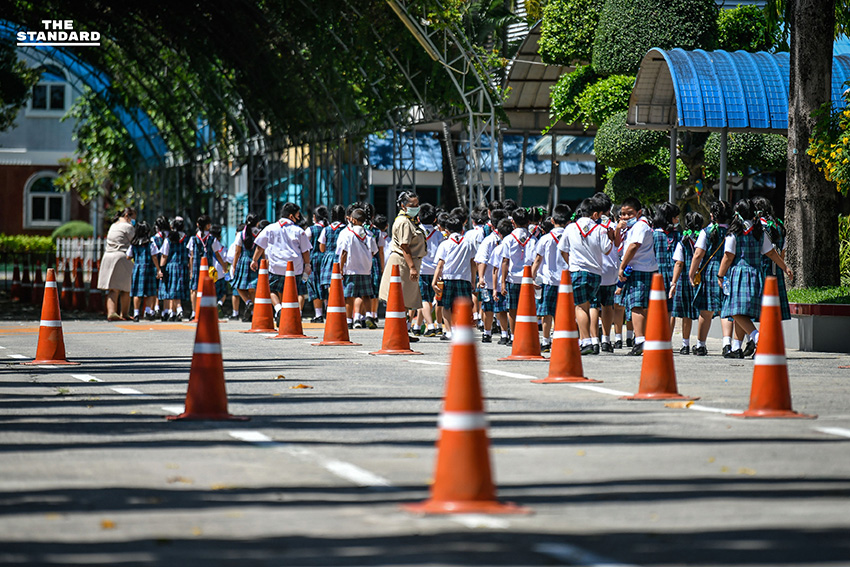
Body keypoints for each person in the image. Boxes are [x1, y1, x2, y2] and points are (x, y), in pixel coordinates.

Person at [718, 198, 793, 358]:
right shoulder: (759, 232)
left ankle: (757, 337)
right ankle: (737, 348)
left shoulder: (734, 233)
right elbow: (771, 253)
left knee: (734, 310)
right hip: (756, 274)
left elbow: (728, 256)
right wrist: (785, 267)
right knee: (742, 312)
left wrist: (720, 275)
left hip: (739, 274)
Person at [559, 197, 614, 355]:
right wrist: (610, 237)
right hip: (596, 273)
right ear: (595, 214)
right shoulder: (600, 229)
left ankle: (586, 341)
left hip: (577, 271)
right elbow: (607, 250)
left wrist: (570, 263)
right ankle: (593, 339)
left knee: (581, 306)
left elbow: (563, 249)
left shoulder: (571, 228)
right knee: (591, 305)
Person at [251, 202, 312, 326]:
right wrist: (307, 265)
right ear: (291, 216)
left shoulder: (270, 228)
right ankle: (291, 315)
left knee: (271, 290)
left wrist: (254, 260)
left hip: (276, 267)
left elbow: (260, 246)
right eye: (297, 215)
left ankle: (279, 309)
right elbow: (305, 250)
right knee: (294, 292)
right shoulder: (298, 231)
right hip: (295, 268)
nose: (299, 218)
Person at [379, 191, 427, 340]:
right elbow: (405, 247)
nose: (415, 207)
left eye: (417, 205)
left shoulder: (410, 220)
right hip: (403, 263)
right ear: (402, 206)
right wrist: (412, 267)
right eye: (412, 205)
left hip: (408, 262)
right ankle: (398, 333)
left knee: (405, 301)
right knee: (401, 300)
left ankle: (403, 332)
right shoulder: (404, 222)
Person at [688, 200, 733, 356]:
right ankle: (727, 345)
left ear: (712, 215)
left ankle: (700, 345)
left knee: (705, 311)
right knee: (726, 310)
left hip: (711, 271)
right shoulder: (733, 232)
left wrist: (692, 273)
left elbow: (698, 254)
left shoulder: (705, 232)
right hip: (729, 271)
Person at [617, 197, 658, 356]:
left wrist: (622, 266)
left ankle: (640, 339)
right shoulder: (635, 227)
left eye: (629, 214)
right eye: (623, 214)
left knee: (636, 305)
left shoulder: (641, 225)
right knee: (641, 306)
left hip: (639, 270)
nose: (626, 217)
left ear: (639, 212)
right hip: (642, 269)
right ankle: (643, 338)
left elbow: (634, 246)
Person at [432, 215, 478, 340]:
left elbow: (440, 265)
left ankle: (448, 331)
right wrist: (473, 280)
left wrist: (434, 281)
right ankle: (460, 330)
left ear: (447, 230)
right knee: (462, 306)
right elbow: (473, 263)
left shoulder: (445, 244)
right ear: (462, 229)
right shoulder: (469, 244)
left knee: (446, 306)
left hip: (447, 278)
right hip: (464, 278)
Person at [531, 203, 570, 353]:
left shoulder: (546, 238)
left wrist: (532, 277)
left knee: (546, 313)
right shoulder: (570, 237)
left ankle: (546, 341)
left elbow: (538, 260)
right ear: (568, 222)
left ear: (552, 220)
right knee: (562, 313)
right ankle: (560, 339)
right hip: (566, 280)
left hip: (548, 280)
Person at [337, 208, 379, 329]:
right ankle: (368, 316)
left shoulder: (348, 234)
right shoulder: (369, 234)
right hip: (366, 268)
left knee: (350, 296)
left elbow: (343, 253)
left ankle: (349, 320)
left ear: (353, 220)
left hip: (351, 268)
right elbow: (373, 251)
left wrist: (341, 268)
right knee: (366, 295)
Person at [669, 212, 704, 354]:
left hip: (684, 280)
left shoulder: (683, 241)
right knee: (692, 314)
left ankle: (681, 345)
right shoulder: (703, 238)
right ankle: (697, 343)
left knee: (677, 313)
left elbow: (679, 263)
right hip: (700, 278)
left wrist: (673, 283)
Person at [753, 196, 792, 321]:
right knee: (773, 305)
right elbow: (782, 253)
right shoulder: (779, 225)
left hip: (761, 268)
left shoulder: (757, 226)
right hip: (777, 270)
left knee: (758, 307)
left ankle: (755, 336)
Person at [475, 209, 508, 343]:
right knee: (498, 309)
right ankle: (499, 333)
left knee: (491, 308)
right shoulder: (495, 240)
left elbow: (481, 260)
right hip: (496, 280)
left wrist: (481, 277)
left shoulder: (489, 240)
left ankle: (492, 333)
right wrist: (482, 278)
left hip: (491, 280)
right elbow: (482, 259)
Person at [98, 207, 136, 321]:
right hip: (122, 257)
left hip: (108, 256)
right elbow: (134, 241)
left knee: (113, 288)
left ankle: (111, 313)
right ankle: (124, 313)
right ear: (127, 216)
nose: (134, 220)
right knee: (126, 288)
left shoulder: (113, 225)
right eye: (133, 217)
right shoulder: (128, 227)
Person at [188, 215, 228, 319]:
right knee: (209, 289)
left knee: (194, 289)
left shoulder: (193, 239)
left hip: (197, 268)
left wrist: (191, 270)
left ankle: (194, 312)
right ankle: (207, 311)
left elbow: (191, 257)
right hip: (208, 268)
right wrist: (224, 266)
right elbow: (218, 255)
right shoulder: (212, 239)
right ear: (208, 226)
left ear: (198, 225)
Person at [416, 203, 445, 337]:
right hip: (435, 271)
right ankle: (417, 326)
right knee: (428, 299)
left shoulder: (416, 232)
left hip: (421, 269)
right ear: (435, 219)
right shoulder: (439, 235)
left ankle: (431, 325)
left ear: (418, 218)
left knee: (424, 299)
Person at [158, 217, 189, 321]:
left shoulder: (168, 240)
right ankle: (174, 312)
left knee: (172, 289)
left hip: (171, 266)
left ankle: (178, 310)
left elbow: (164, 256)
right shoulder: (187, 239)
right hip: (183, 266)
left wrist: (161, 268)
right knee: (178, 289)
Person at [127, 221, 158, 322]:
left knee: (137, 292)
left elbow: (128, 256)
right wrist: (158, 269)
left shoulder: (134, 244)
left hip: (137, 269)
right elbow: (154, 256)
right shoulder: (150, 244)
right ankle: (148, 311)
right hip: (149, 268)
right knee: (149, 292)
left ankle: (136, 313)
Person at [231, 214, 260, 321]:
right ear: (257, 223)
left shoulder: (240, 234)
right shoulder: (259, 233)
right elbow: (262, 250)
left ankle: (248, 302)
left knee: (238, 285)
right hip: (256, 262)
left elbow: (237, 251)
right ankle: (253, 312)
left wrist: (234, 266)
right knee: (253, 289)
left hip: (243, 261)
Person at [490, 219, 515, 345]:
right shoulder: (513, 244)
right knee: (511, 310)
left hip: (501, 283)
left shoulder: (498, 249)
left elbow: (495, 270)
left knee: (501, 311)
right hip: (510, 281)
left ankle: (504, 334)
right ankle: (511, 334)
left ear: (499, 233)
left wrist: (494, 288)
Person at [318, 205, 348, 300]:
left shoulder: (326, 229)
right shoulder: (346, 229)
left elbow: (322, 248)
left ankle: (333, 303)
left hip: (329, 258)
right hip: (343, 258)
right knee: (343, 284)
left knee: (330, 284)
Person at [306, 206, 329, 323]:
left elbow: (304, 245)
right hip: (326, 260)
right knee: (326, 285)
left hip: (314, 260)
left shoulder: (311, 230)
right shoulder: (329, 228)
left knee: (314, 286)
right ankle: (329, 312)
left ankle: (318, 314)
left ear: (314, 217)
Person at [151, 215, 170, 320]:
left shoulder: (154, 239)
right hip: (169, 266)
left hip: (156, 265)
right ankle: (166, 310)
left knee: (156, 288)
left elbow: (153, 254)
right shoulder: (171, 237)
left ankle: (156, 307)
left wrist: (158, 268)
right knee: (167, 288)